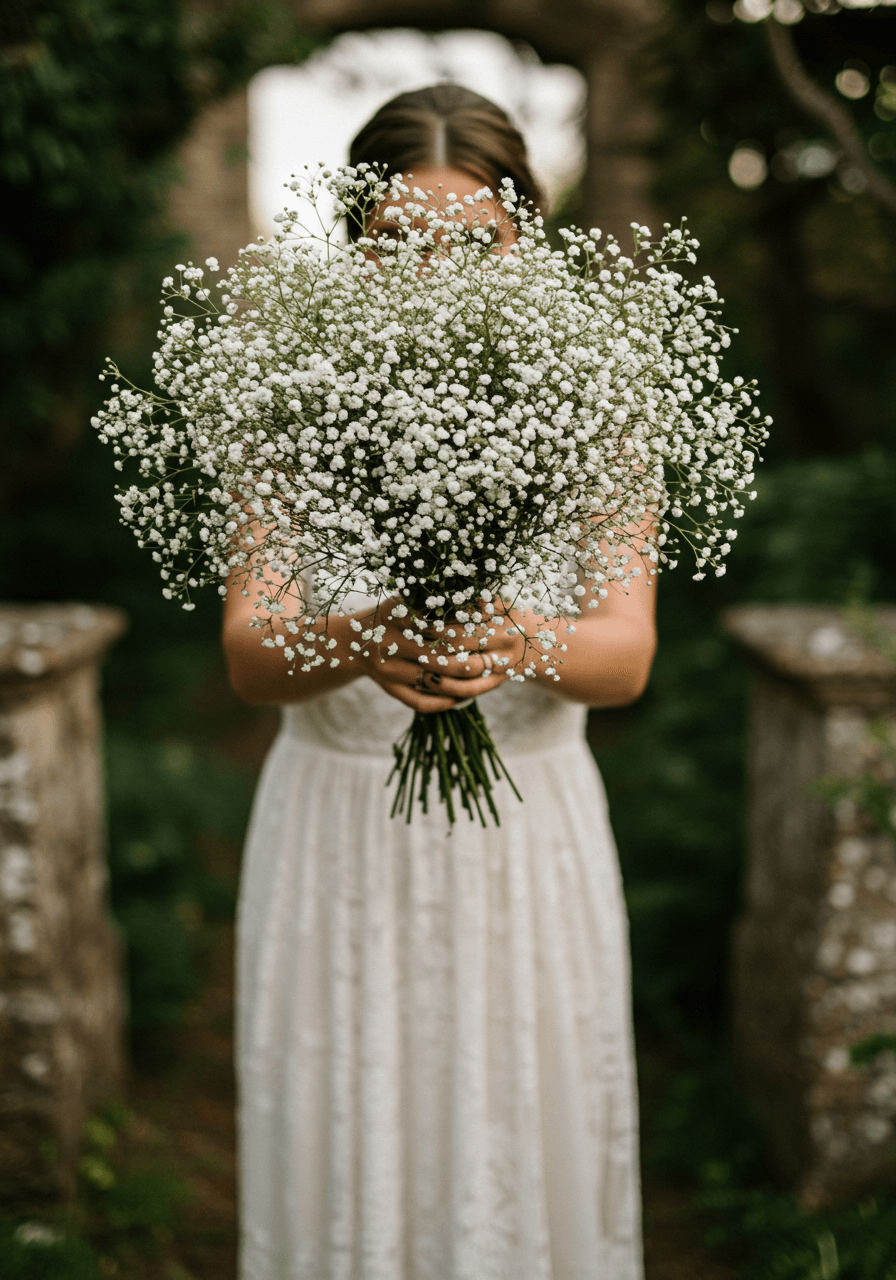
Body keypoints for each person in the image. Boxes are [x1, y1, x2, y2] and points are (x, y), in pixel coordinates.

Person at [224, 84, 655, 1280]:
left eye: (471, 244)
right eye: (395, 245)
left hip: (523, 835)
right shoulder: (283, 403)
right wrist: (361, 637)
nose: (434, 276)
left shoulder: (599, 402)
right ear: (353, 244)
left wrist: (518, 640)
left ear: (525, 236)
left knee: (518, 1129)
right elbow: (249, 654)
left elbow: (623, 658)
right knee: (340, 1115)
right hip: (337, 831)